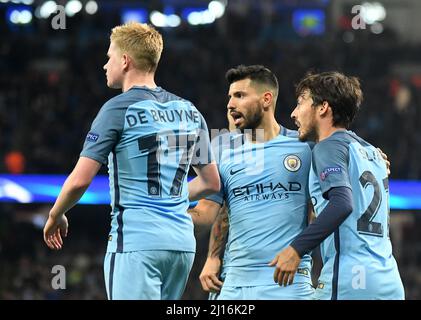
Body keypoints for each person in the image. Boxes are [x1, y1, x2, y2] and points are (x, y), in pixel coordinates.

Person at [43, 22, 220, 300]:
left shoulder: (117, 108)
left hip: (136, 242)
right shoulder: (190, 111)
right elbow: (211, 182)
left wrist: (56, 214)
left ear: (125, 61)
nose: (105, 65)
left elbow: (80, 180)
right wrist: (170, 197)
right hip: (182, 246)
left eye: (109, 56)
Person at [270, 71, 404, 300]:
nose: (293, 113)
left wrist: (295, 250)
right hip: (388, 278)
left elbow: (342, 204)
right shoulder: (372, 152)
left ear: (323, 108)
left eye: (301, 102)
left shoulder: (328, 146)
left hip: (351, 279)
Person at [189, 65, 315, 299]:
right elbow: (210, 210)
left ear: (266, 99)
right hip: (235, 283)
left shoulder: (304, 147)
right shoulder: (222, 147)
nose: (230, 104)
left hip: (290, 282)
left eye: (239, 95)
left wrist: (373, 156)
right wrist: (212, 256)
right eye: (229, 97)